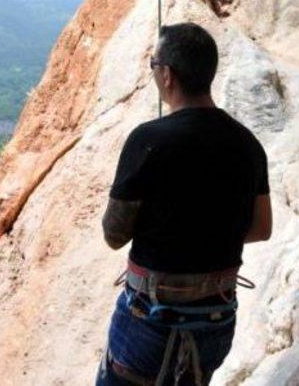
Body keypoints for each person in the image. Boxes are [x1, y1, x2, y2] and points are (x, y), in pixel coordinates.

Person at [97, 22, 272, 386]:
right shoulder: (247, 144)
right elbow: (260, 229)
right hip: (216, 321)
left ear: (167, 74)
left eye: (153, 65)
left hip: (152, 318)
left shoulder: (147, 140)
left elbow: (114, 233)